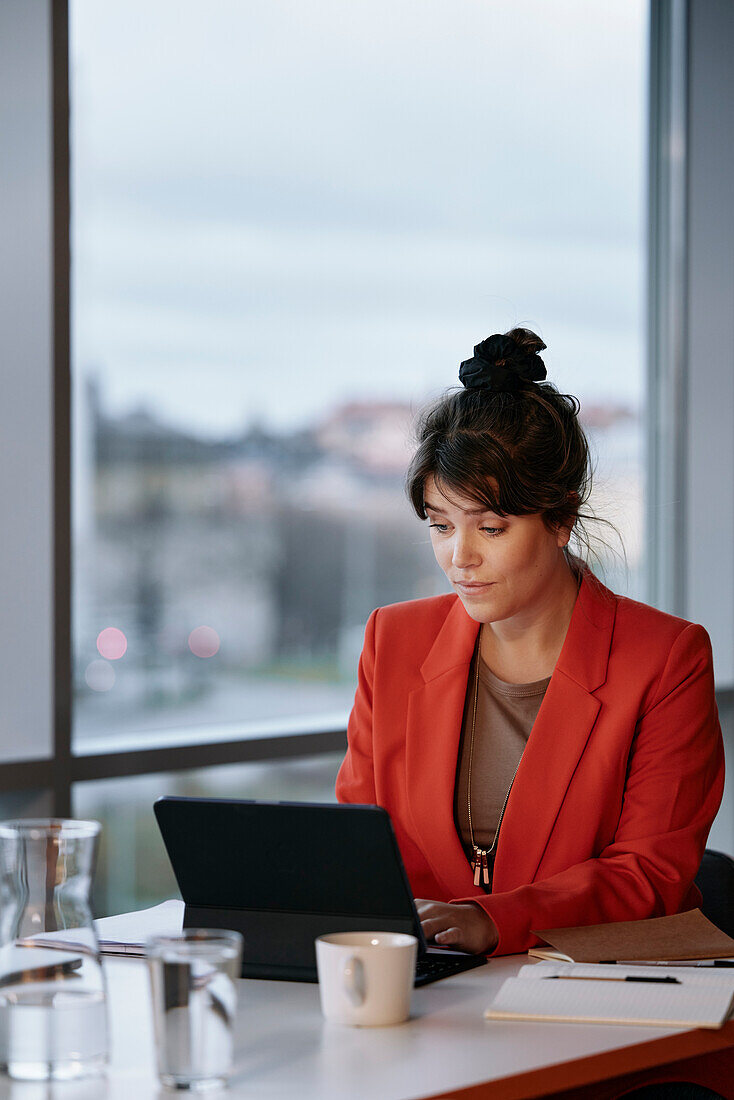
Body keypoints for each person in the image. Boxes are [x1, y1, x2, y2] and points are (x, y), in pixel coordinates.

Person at [335, 328, 724, 957]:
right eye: (440, 526)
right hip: (435, 991)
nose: (459, 557)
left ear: (562, 516)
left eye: (491, 527)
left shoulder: (666, 659)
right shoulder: (393, 640)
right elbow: (359, 848)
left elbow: (650, 875)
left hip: (597, 994)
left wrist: (494, 920)